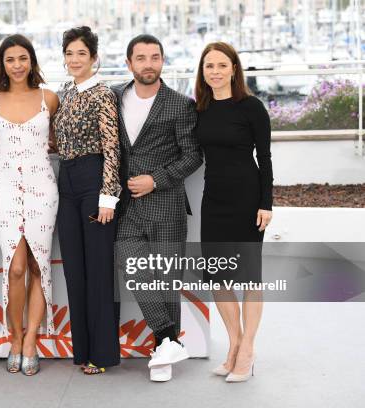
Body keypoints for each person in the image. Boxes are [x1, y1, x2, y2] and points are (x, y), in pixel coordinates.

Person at [111, 34, 202, 382]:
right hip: (127, 206)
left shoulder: (180, 104)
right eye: (141, 58)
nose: (148, 64)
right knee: (130, 264)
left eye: (154, 57)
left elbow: (193, 155)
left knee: (166, 281)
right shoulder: (115, 97)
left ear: (162, 61)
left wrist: (156, 179)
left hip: (166, 204)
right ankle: (168, 339)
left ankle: (162, 359)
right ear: (129, 63)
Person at [194, 42, 273, 383]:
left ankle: (248, 349)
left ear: (234, 69)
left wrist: (266, 203)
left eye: (221, 65)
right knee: (219, 279)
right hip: (213, 201)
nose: (215, 71)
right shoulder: (200, 108)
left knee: (249, 277)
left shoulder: (251, 107)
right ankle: (234, 346)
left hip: (247, 200)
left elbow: (266, 159)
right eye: (209, 66)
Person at [0, 34, 59, 376]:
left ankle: (31, 341)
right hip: (5, 188)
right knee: (15, 267)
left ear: (31, 61)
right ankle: (14, 338)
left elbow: (58, 140)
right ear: (2, 63)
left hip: (43, 186)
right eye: (10, 59)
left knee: (39, 266)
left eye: (22, 58)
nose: (17, 65)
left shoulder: (50, 98)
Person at [53, 26, 121, 375]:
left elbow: (112, 148)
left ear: (93, 58)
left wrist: (109, 196)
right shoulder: (64, 93)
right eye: (69, 53)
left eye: (81, 53)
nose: (74, 59)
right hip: (65, 180)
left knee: (97, 270)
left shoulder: (103, 94)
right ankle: (82, 351)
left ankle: (103, 354)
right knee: (75, 270)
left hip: (94, 180)